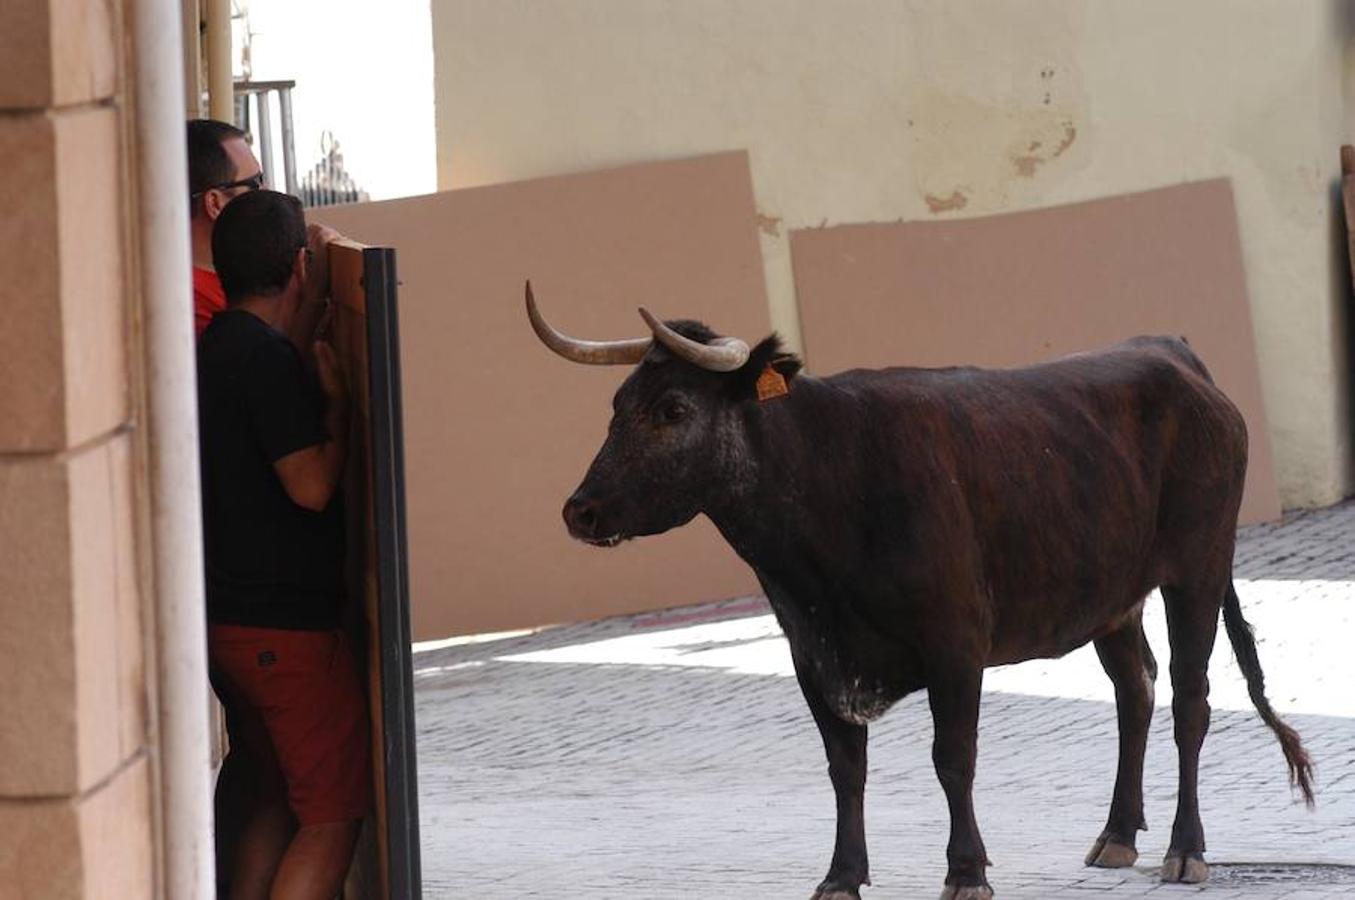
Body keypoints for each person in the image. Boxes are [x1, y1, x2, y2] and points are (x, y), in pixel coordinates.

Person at [198, 189, 370, 900]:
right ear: (300, 266)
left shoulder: (217, 345)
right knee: (332, 819)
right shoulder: (263, 360)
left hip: (231, 620)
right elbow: (309, 487)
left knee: (274, 797)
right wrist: (337, 405)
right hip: (285, 634)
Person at [187, 118, 335, 343]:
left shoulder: (222, 283)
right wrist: (312, 300)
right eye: (255, 183)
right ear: (215, 204)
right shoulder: (189, 305)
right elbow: (266, 370)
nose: (266, 192)